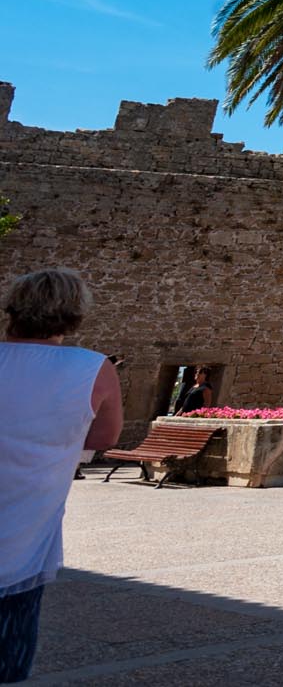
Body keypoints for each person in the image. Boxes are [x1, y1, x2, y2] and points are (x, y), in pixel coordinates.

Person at [1, 270, 123, 683]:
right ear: (74, 316)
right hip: (25, 525)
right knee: (11, 633)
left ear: (13, 308)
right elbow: (105, 435)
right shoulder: (92, 368)